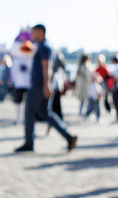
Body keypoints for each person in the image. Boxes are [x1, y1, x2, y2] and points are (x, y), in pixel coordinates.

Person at [15, 24, 77, 152]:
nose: (32, 34)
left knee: (29, 113)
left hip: (40, 86)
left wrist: (46, 85)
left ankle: (29, 143)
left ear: (40, 32)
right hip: (44, 85)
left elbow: (47, 66)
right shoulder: (47, 45)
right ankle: (68, 136)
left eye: (34, 32)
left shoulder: (44, 46)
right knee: (46, 113)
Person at [11, 40, 33, 124]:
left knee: (26, 102)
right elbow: (13, 71)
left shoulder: (31, 58)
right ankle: (18, 117)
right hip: (20, 83)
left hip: (27, 83)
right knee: (18, 102)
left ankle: (24, 117)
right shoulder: (17, 58)